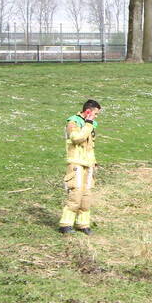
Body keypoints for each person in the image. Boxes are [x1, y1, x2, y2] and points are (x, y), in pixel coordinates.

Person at [58, 99, 101, 235]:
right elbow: (77, 138)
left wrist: (94, 162)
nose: (96, 117)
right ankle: (66, 224)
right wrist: (88, 123)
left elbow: (90, 146)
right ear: (88, 111)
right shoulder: (73, 122)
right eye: (95, 113)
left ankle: (83, 224)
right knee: (76, 194)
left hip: (88, 164)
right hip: (76, 163)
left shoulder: (91, 125)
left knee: (86, 195)